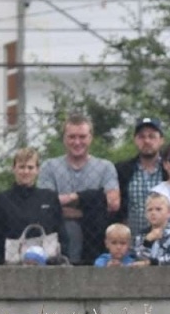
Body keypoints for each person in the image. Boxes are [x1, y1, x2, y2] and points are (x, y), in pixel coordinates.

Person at [39, 113, 120, 264]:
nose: (77, 142)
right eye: (72, 137)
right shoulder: (49, 167)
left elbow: (113, 203)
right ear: (64, 138)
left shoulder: (105, 167)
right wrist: (94, 203)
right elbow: (45, 204)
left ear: (90, 138)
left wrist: (72, 198)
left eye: (82, 137)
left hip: (96, 243)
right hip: (59, 242)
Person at [0, 147, 66, 265]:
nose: (26, 172)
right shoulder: (1, 200)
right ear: (14, 169)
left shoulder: (50, 198)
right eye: (21, 167)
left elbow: (61, 233)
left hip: (48, 262)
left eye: (30, 167)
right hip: (12, 264)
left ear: (37, 170)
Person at [115, 117, 166, 236]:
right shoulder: (122, 170)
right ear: (135, 140)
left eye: (152, 136)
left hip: (165, 244)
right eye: (142, 137)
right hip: (131, 243)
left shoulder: (169, 169)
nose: (147, 141)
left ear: (161, 140)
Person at [133, 191, 170, 266]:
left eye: (158, 209)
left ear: (169, 213)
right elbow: (140, 258)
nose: (153, 213)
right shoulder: (141, 235)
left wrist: (153, 263)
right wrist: (147, 242)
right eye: (150, 210)